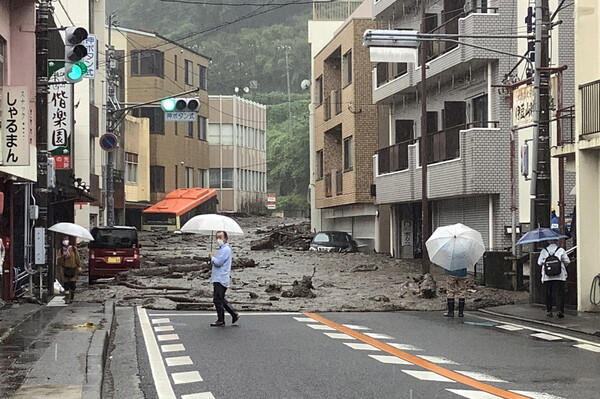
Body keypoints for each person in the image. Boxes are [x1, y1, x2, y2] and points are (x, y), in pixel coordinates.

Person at [208, 231, 239, 327]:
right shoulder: (222, 249)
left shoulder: (225, 250)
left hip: (221, 278)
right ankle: (233, 314)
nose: (218, 239)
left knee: (217, 300)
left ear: (225, 238)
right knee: (220, 298)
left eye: (220, 237)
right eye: (217, 237)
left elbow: (218, 262)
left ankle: (221, 320)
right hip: (218, 277)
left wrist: (212, 257)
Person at [538, 240, 570, 318]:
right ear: (557, 242)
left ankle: (549, 311)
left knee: (548, 294)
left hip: (547, 277)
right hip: (560, 276)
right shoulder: (561, 250)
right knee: (559, 294)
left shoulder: (544, 251)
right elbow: (567, 261)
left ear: (548, 242)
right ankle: (559, 310)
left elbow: (539, 263)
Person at [56, 236, 82, 304]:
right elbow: (59, 262)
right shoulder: (61, 250)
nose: (65, 241)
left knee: (73, 284)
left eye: (66, 240)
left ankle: (72, 297)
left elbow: (77, 258)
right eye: (64, 240)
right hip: (65, 269)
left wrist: (79, 266)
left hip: (73, 268)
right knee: (66, 284)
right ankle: (67, 297)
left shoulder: (73, 249)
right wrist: (63, 256)